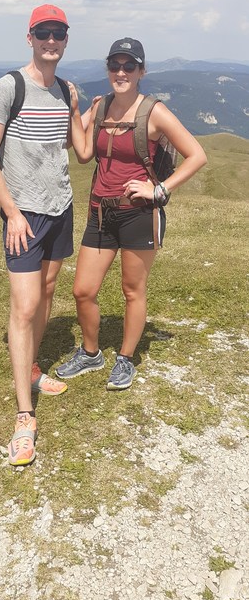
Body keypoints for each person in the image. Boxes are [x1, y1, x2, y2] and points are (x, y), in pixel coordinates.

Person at [56, 37, 207, 390]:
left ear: (142, 71)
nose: (120, 72)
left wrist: (159, 189)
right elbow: (82, 153)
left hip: (139, 213)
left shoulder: (154, 112)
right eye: (115, 65)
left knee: (132, 290)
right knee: (83, 290)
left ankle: (125, 359)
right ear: (108, 68)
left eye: (129, 66)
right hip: (100, 211)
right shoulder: (102, 105)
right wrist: (76, 111)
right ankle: (91, 353)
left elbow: (197, 155)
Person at [0, 4, 83, 467]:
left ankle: (35, 368)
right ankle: (24, 415)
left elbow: (78, 153)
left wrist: (83, 109)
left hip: (60, 208)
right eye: (43, 33)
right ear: (30, 37)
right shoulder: (10, 87)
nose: (51, 41)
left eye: (58, 33)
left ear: (65, 38)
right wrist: (13, 214)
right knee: (24, 306)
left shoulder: (63, 90)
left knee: (47, 291)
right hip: (25, 216)